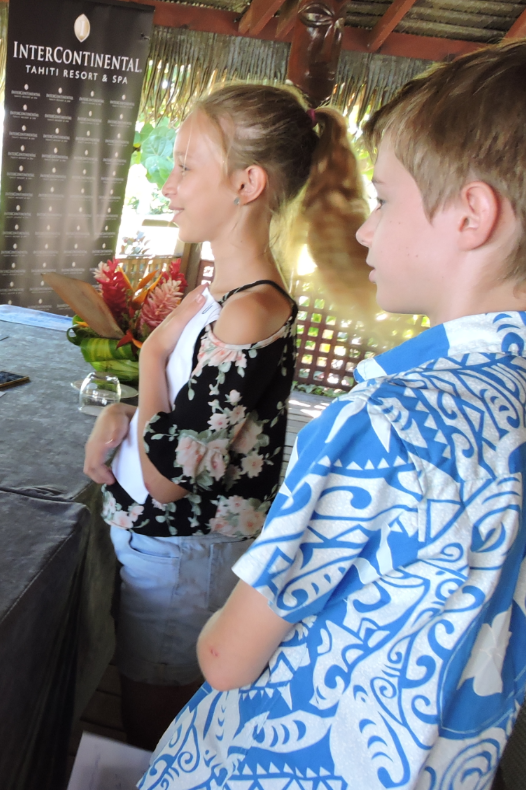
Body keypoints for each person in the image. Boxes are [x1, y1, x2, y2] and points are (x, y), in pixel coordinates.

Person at [139, 39, 526, 790]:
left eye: (386, 200)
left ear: (472, 214)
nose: (367, 229)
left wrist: (212, 627)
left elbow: (227, 656)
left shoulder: (386, 419)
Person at [82, 84, 369, 750]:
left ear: (247, 182)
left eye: (186, 165)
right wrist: (124, 410)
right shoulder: (223, 293)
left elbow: (169, 478)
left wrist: (151, 356)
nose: (169, 184)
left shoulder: (250, 311)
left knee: (154, 728)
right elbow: (187, 414)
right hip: (169, 549)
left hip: (187, 556)